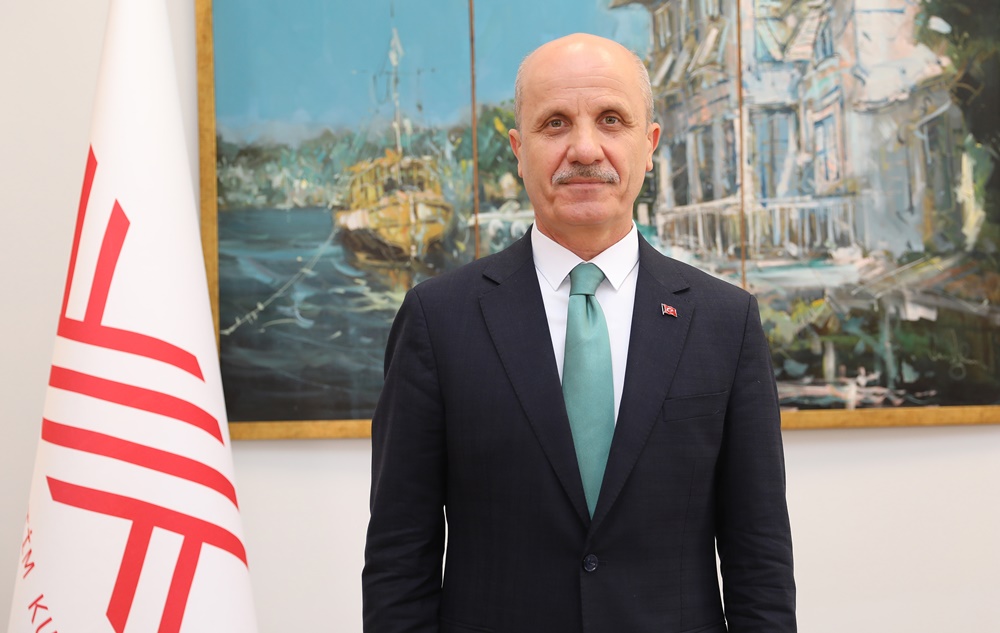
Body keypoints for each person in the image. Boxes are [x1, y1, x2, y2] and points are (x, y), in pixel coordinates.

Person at [362, 33, 796, 632]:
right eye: (555, 123)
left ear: (650, 145)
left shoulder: (726, 322)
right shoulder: (438, 320)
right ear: (519, 150)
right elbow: (398, 561)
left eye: (611, 120)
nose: (585, 148)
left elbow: (760, 562)